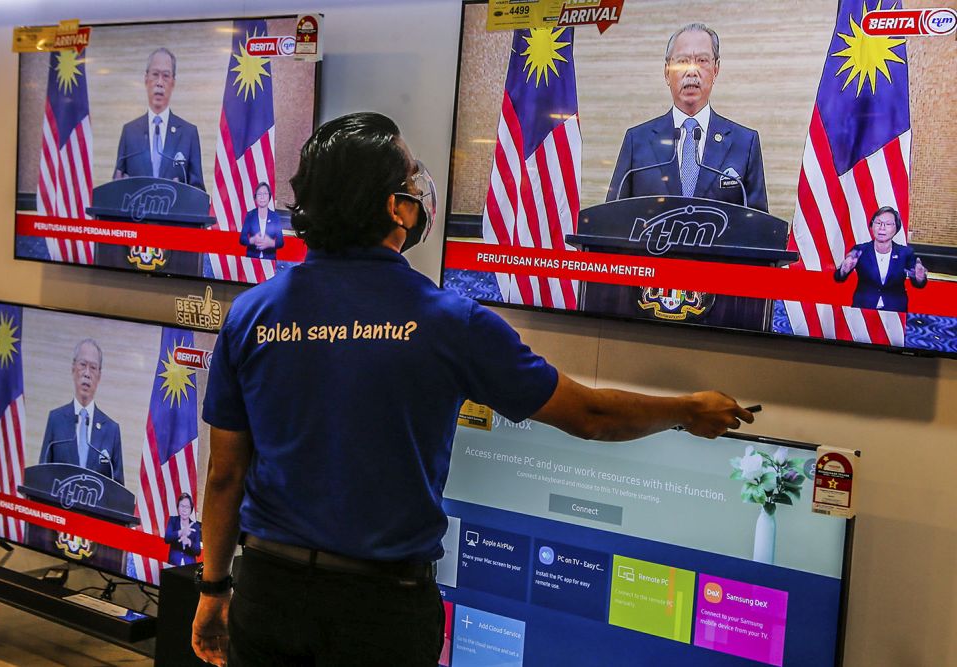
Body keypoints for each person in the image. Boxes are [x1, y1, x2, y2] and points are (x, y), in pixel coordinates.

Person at [191, 112, 754, 667]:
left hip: (268, 592)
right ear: (396, 207)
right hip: (380, 609)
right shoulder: (448, 321)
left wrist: (213, 588)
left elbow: (224, 475)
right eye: (412, 176)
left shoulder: (250, 314)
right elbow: (589, 415)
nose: (419, 188)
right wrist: (686, 409)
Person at [606, 23, 768, 212]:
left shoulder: (745, 143)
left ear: (716, 70)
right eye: (682, 62)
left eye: (702, 60)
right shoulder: (637, 141)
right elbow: (612, 219)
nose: (692, 71)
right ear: (667, 73)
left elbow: (758, 228)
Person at [113, 48, 204, 189]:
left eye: (166, 76)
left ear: (173, 82)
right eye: (155, 75)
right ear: (146, 79)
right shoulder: (129, 132)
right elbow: (117, 183)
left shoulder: (188, 133)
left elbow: (198, 190)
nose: (160, 83)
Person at [39, 338, 124, 485]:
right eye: (83, 365)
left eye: (93, 368)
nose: (87, 373)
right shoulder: (56, 419)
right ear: (73, 369)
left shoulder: (112, 430)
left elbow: (118, 489)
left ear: (99, 376)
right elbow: (42, 475)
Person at [834, 206, 928, 312]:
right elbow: (838, 278)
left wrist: (920, 278)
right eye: (878, 223)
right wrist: (843, 270)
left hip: (894, 311)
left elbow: (918, 284)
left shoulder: (905, 253)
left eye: (888, 224)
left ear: (896, 228)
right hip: (863, 310)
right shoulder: (860, 250)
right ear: (872, 225)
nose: (882, 228)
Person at [239, 182, 284, 259]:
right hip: (252, 260)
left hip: (269, 259)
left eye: (265, 194)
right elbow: (242, 239)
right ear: (255, 198)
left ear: (269, 197)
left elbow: (281, 242)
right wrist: (252, 240)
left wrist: (271, 243)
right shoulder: (250, 215)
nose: (262, 197)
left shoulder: (275, 217)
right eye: (259, 194)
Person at [164, 492, 202, 567]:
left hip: (189, 566)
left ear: (191, 509)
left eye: (187, 507)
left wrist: (189, 542)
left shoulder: (195, 526)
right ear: (178, 507)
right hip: (173, 564)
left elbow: (198, 551)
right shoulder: (173, 520)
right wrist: (181, 532)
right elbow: (167, 538)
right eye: (182, 506)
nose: (184, 510)